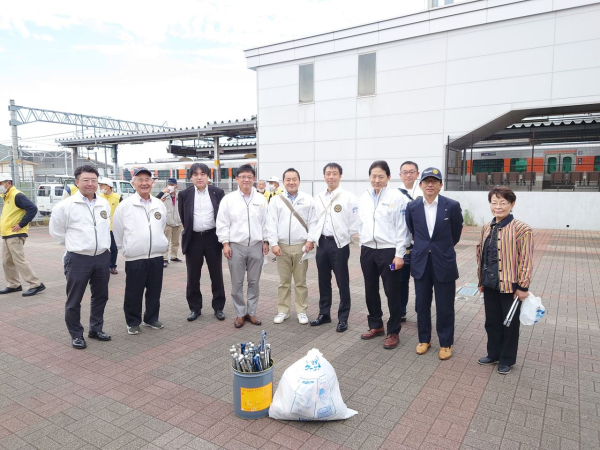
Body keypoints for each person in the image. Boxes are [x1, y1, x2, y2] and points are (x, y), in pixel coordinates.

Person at [49, 165, 112, 349]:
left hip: (101, 257)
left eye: (94, 180)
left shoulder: (103, 203)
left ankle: (96, 329)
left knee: (101, 296)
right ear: (77, 182)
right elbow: (57, 232)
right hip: (77, 258)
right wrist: (75, 245)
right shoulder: (65, 206)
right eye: (85, 180)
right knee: (74, 300)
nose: (90, 184)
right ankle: (76, 334)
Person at [406, 167, 463, 360]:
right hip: (421, 262)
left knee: (444, 305)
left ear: (440, 185)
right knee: (421, 304)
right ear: (420, 185)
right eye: (426, 181)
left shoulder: (452, 206)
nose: (430, 185)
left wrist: (442, 249)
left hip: (444, 262)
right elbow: (412, 230)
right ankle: (424, 339)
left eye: (434, 181)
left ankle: (446, 343)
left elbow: (455, 235)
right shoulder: (412, 207)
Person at [477, 186, 533, 375]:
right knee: (491, 322)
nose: (498, 207)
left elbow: (525, 259)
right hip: (490, 284)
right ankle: (493, 354)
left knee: (509, 324)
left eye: (503, 202)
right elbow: (482, 256)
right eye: (494, 202)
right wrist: (481, 281)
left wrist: (523, 287)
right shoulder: (486, 227)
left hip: (511, 287)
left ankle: (507, 359)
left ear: (512, 204)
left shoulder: (522, 229)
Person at [358, 161, 411, 349]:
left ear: (389, 177)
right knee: (370, 289)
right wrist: (362, 243)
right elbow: (361, 223)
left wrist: (399, 254)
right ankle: (376, 325)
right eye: (373, 176)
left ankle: (393, 331)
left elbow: (403, 229)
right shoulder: (364, 197)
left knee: (392, 291)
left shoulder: (397, 198)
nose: (377, 180)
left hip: (389, 253)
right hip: (368, 251)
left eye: (381, 176)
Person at [112, 168, 168, 335]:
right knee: (134, 291)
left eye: (147, 179)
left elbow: (162, 226)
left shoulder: (159, 204)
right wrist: (128, 247)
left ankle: (151, 318)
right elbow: (118, 231)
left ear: (152, 182)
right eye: (140, 179)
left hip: (156, 255)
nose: (144, 183)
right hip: (135, 256)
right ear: (133, 183)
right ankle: (133, 321)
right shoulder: (125, 206)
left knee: (154, 290)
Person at [308, 163, 359, 332]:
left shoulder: (348, 197)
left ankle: (343, 318)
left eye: (334, 173)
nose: (331, 176)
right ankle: (324, 314)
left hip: (339, 245)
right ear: (324, 176)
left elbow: (354, 221)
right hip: (322, 243)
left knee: (342, 282)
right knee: (323, 281)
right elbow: (314, 220)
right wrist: (312, 239)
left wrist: (349, 238)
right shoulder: (319, 197)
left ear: (340, 176)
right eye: (328, 173)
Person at [216, 164, 269, 328]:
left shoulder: (260, 199)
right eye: (243, 176)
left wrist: (266, 241)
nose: (246, 179)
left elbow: (266, 222)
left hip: (256, 246)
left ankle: (251, 313)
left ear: (254, 179)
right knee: (237, 283)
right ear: (237, 179)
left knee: (254, 282)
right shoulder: (229, 199)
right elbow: (222, 223)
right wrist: (225, 243)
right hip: (236, 246)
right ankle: (240, 314)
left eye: (250, 177)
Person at [267, 168, 317, 325]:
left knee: (301, 282)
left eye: (294, 179)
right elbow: (271, 223)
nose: (291, 182)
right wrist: (273, 244)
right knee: (284, 282)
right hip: (282, 247)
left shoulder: (308, 199)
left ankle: (301, 311)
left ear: (299, 181)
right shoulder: (276, 200)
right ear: (283, 182)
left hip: (301, 247)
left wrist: (310, 240)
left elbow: (314, 222)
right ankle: (283, 310)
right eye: (288, 179)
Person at [178, 163, 227, 322]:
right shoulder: (184, 194)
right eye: (196, 174)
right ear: (191, 177)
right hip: (193, 239)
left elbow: (223, 216)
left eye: (203, 174)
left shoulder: (217, 192)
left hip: (213, 237)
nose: (199, 177)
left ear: (208, 176)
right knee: (193, 276)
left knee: (216, 274)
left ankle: (218, 307)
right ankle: (195, 308)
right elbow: (183, 217)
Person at [0, 173, 45, 296]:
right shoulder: (7, 196)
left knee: (19, 260)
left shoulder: (17, 195)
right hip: (7, 234)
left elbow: (32, 208)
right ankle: (14, 284)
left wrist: (21, 224)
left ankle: (35, 284)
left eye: (1, 183)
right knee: (6, 261)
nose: (0, 186)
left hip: (15, 233)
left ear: (8, 183)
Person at [397, 160, 423, 321]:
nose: (408, 175)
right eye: (405, 172)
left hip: (420, 247)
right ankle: (400, 311)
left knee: (421, 282)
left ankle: (421, 311)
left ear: (417, 174)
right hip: (401, 247)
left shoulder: (424, 192)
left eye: (411, 172)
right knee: (400, 282)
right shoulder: (394, 194)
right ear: (400, 175)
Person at [157, 178, 183, 268]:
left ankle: (174, 256)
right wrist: (163, 193)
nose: (171, 187)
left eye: (173, 185)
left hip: (178, 222)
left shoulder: (180, 195)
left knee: (176, 241)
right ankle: (164, 258)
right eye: (169, 185)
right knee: (166, 241)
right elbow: (155, 201)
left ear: (176, 186)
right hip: (167, 222)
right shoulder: (164, 196)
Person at [99, 177, 122, 275]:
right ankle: (101, 266)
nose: (100, 187)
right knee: (101, 247)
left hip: (113, 227)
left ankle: (112, 266)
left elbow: (122, 212)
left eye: (102, 185)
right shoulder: (99, 197)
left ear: (108, 186)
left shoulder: (118, 197)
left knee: (113, 248)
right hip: (101, 227)